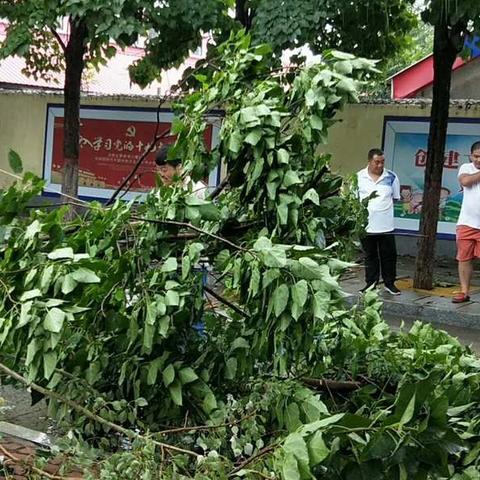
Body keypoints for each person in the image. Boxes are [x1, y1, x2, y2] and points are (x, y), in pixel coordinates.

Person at [357, 148, 401, 295]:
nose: (380, 165)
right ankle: (370, 284)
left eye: (382, 162)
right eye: (376, 162)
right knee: (370, 256)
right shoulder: (358, 177)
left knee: (389, 255)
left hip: (386, 225)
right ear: (369, 161)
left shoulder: (391, 177)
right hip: (366, 225)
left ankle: (390, 283)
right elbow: (353, 200)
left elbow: (395, 198)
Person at [452, 141, 480, 303]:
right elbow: (465, 181)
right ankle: (464, 292)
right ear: (471, 156)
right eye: (476, 156)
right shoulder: (466, 168)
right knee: (464, 258)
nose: (478, 160)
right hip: (467, 223)